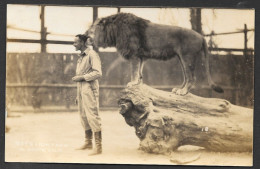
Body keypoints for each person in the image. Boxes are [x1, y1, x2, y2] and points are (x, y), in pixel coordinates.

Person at [72, 34, 102, 155]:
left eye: (76, 42)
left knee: (92, 116)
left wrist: (82, 78)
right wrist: (78, 95)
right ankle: (88, 142)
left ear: (83, 43)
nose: (74, 44)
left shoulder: (92, 54)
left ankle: (99, 147)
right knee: (83, 116)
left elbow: (98, 73)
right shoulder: (81, 57)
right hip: (82, 90)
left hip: (90, 89)